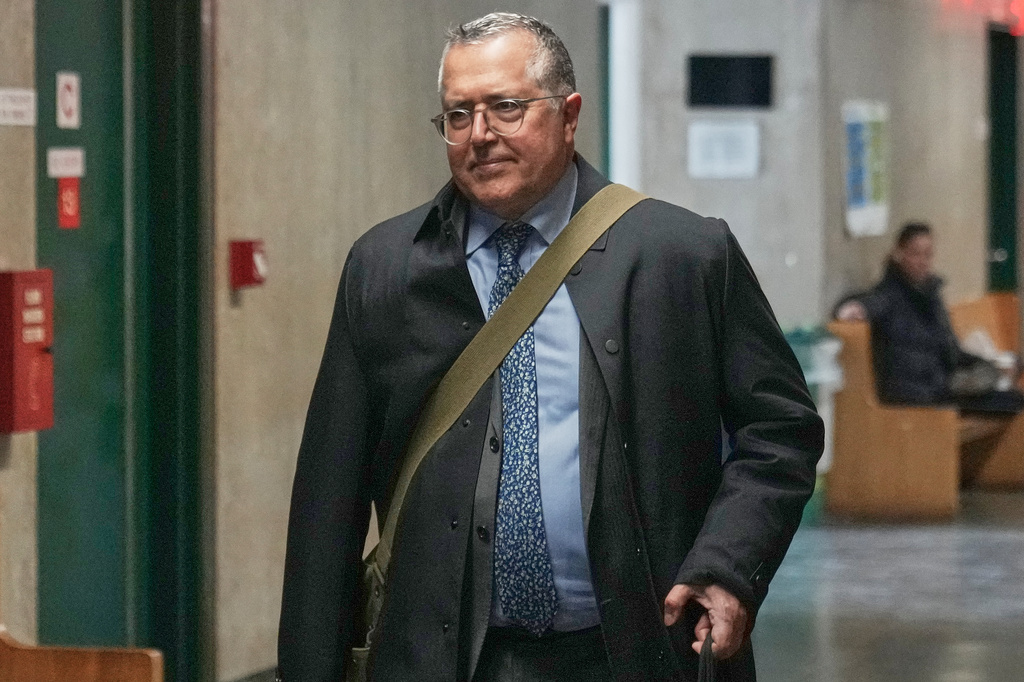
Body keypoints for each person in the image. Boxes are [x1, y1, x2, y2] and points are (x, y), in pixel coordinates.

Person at [278, 12, 823, 682]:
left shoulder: (682, 256)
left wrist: (730, 566)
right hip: (440, 658)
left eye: (507, 107)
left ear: (569, 115)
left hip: (637, 653)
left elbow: (780, 430)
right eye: (458, 115)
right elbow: (328, 495)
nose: (481, 134)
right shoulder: (387, 267)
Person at [835, 222, 1023, 413]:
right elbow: (872, 302)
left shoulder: (931, 297)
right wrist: (856, 308)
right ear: (899, 254)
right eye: (916, 254)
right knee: (1011, 402)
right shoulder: (891, 294)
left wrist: (989, 366)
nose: (923, 261)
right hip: (914, 395)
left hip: (938, 388)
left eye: (928, 254)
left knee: (1011, 398)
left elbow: (952, 353)